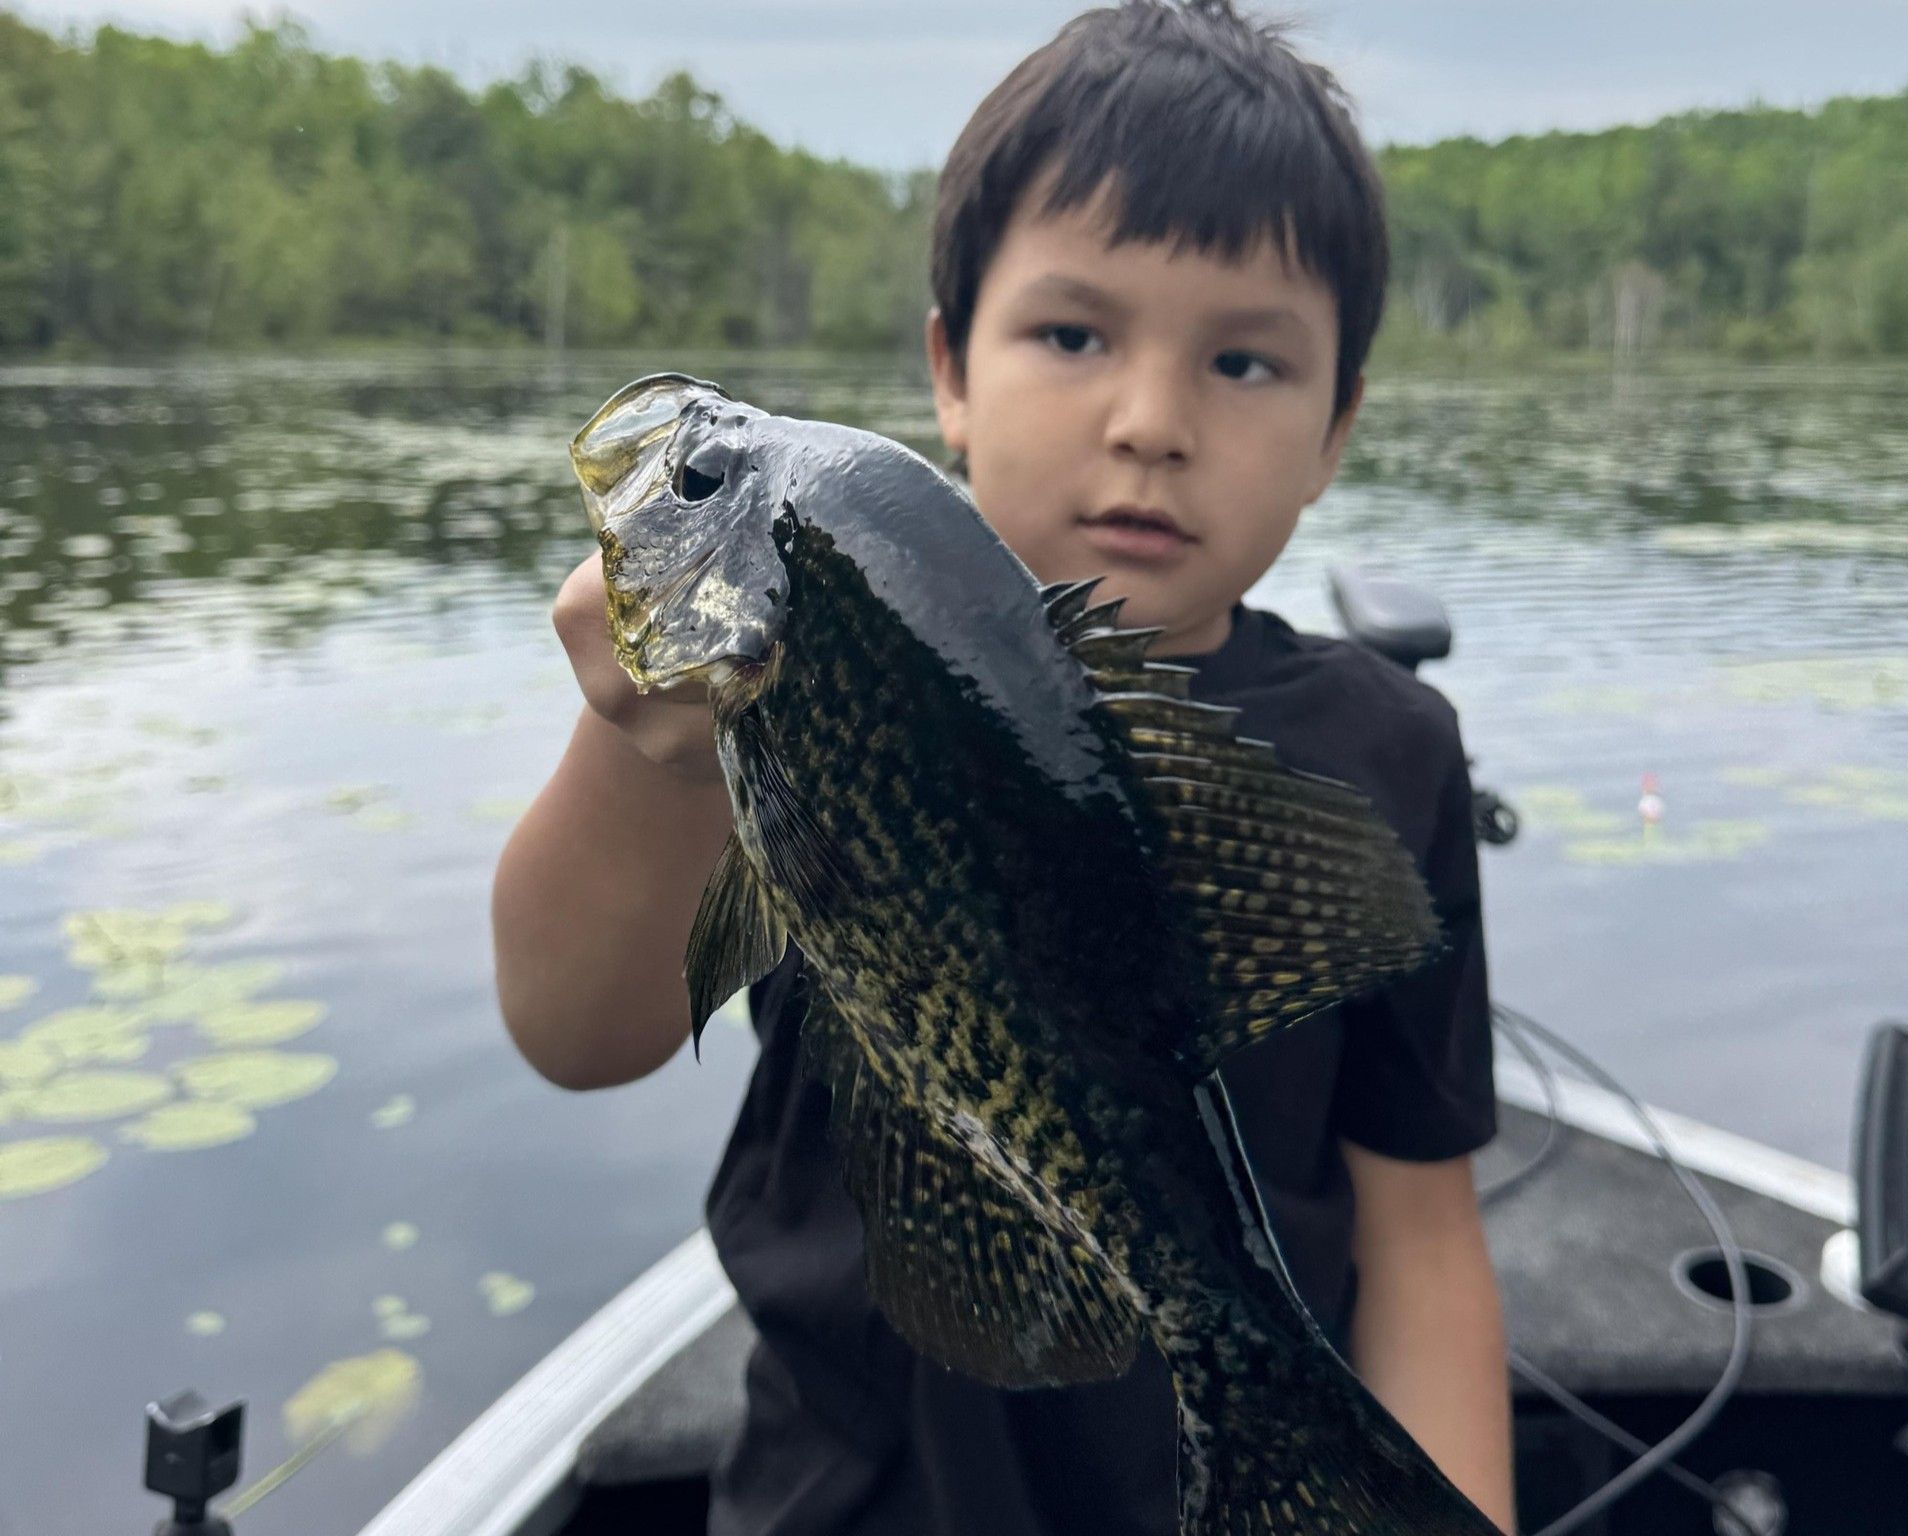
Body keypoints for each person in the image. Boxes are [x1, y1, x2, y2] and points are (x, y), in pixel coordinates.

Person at [491, 1, 1516, 1531]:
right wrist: (656, 761)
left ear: (1337, 428)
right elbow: (573, 1032)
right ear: (949, 370)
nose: (1150, 423)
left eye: (1244, 361)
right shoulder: (804, 679)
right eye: (1074, 334)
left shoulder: (1390, 750)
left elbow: (1424, 1237)